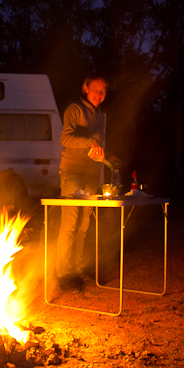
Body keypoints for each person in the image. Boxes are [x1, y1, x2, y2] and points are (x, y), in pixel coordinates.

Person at [55, 73, 108, 294]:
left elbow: (93, 148)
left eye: (103, 91)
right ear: (85, 88)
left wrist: (106, 158)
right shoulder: (74, 109)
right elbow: (65, 138)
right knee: (69, 223)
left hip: (90, 174)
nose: (100, 94)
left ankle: (75, 269)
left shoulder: (97, 115)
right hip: (72, 172)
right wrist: (90, 141)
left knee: (84, 225)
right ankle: (62, 272)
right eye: (96, 89)